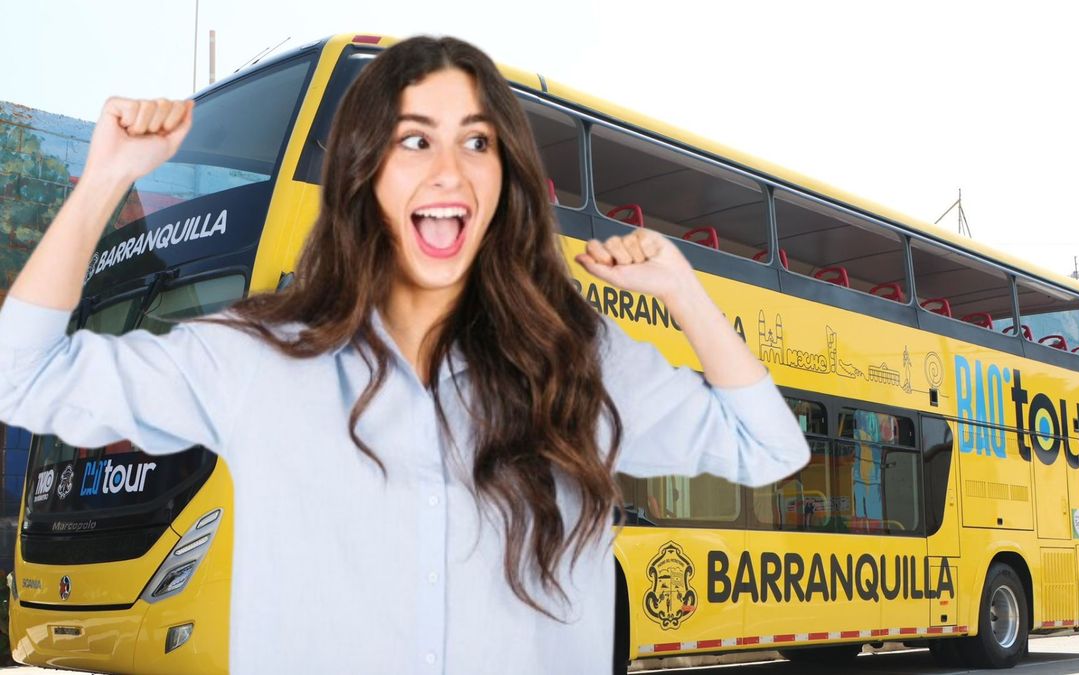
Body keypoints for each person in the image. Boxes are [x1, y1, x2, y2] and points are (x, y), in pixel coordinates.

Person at [0, 36, 809, 674]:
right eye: (415, 140)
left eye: (477, 141)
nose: (449, 170)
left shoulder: (577, 361)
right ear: (366, 173)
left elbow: (769, 446)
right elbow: (20, 377)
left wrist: (684, 293)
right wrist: (104, 180)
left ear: (506, 178)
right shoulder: (258, 358)